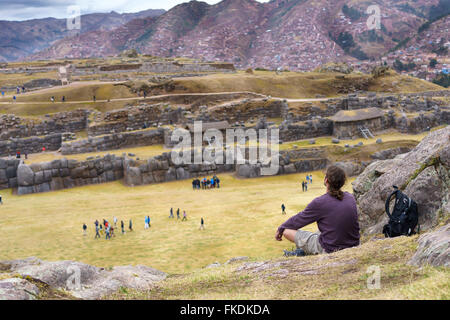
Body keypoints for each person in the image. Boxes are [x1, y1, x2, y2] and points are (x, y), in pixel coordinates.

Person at [276, 165, 360, 257]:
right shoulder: (350, 197)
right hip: (353, 244)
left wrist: (281, 228)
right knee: (321, 230)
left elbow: (298, 220)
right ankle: (302, 251)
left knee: (286, 231)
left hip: (331, 249)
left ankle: (303, 251)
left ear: (326, 180)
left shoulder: (320, 202)